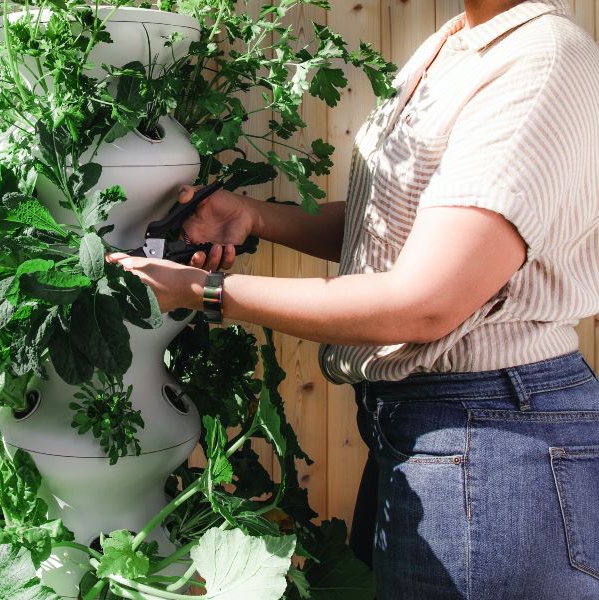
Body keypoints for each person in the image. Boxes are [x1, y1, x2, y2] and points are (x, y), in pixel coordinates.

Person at [107, 0, 599, 598]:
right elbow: (405, 235)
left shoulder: (540, 60)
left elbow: (428, 299)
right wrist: (255, 216)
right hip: (427, 427)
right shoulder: (455, 45)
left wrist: (205, 292)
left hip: (494, 444)